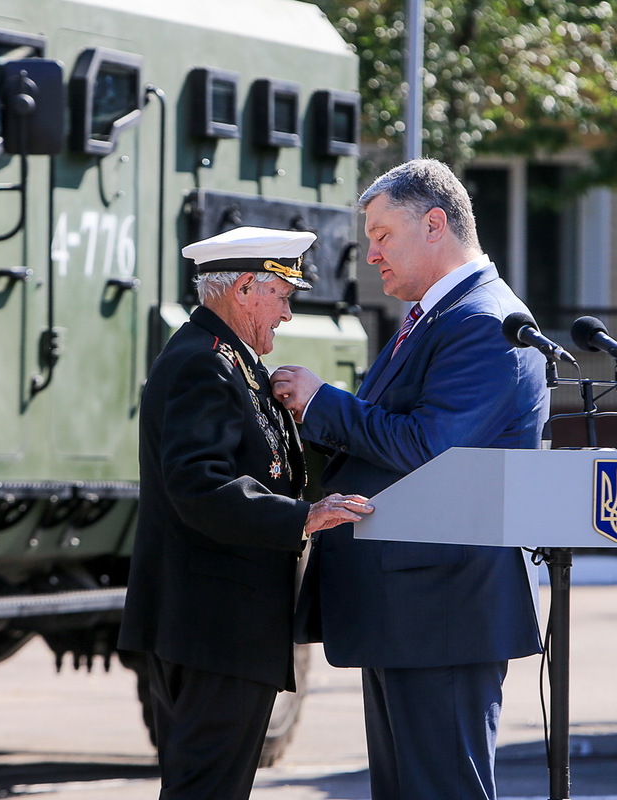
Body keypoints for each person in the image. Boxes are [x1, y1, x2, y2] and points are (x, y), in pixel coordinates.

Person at [271, 159, 549, 800]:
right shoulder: (439, 316)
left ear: (434, 224)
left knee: (441, 788)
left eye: (382, 235)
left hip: (444, 607)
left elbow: (431, 447)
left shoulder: (482, 323)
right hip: (413, 604)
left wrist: (322, 404)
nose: (370, 254)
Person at [118, 225, 374, 800]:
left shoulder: (231, 361)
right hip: (212, 627)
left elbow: (269, 466)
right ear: (244, 289)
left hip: (224, 628)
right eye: (282, 296)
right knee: (205, 790)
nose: (286, 314)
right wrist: (301, 519)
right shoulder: (201, 364)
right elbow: (199, 484)